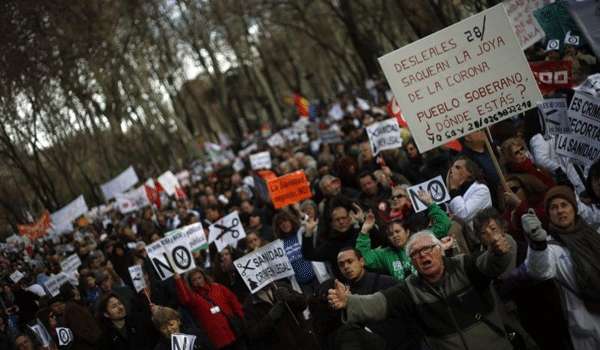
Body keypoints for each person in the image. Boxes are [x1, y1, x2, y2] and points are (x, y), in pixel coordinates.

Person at [328, 230, 515, 350]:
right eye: (415, 253)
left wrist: (498, 252)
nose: (423, 254)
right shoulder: (409, 289)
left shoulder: (464, 265)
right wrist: (348, 302)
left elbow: (490, 264)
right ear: (412, 262)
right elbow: (378, 303)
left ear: (440, 250)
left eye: (428, 248)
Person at [522, 186, 600, 349]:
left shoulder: (593, 234)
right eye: (554, 207)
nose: (560, 211)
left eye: (564, 205)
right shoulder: (550, 247)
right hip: (588, 328)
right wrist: (537, 243)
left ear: (574, 208)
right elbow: (539, 271)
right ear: (549, 214)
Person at [356, 190, 452, 280]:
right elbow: (363, 258)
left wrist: (431, 204)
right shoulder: (386, 254)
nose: (394, 236)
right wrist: (364, 230)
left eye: (397, 231)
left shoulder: (421, 239)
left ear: (407, 232)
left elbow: (444, 224)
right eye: (390, 234)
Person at [174, 269, 245, 350]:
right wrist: (178, 280)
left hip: (233, 330)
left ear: (204, 277)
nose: (198, 281)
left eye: (199, 278)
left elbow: (233, 300)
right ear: (191, 283)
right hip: (217, 339)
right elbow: (185, 298)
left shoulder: (217, 287)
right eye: (194, 280)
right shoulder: (193, 298)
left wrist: (242, 316)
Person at [242, 281, 320, 350]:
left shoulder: (281, 286)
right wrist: (270, 318)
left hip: (303, 339)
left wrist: (291, 297)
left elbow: (303, 304)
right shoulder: (249, 304)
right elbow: (253, 333)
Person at [447, 156, 492, 227]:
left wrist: (453, 188)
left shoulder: (481, 189)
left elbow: (463, 215)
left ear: (470, 172)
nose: (452, 171)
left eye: (458, 167)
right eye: (452, 168)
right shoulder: (452, 193)